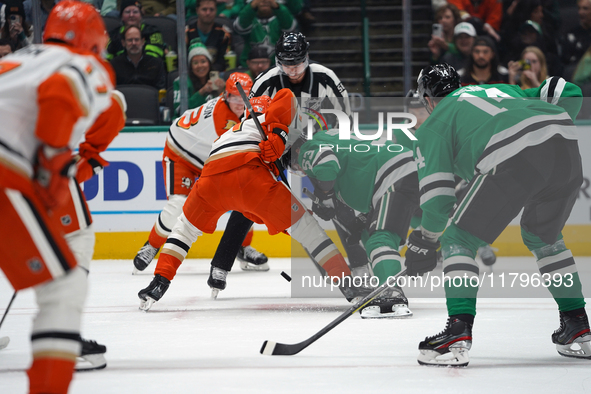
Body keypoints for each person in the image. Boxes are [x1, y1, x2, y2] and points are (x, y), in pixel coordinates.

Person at [406, 63, 590, 366]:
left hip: (514, 154)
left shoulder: (435, 123)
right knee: (543, 236)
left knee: (457, 239)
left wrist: (426, 241)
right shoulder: (503, 89)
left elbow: (438, 199)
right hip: (567, 147)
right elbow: (567, 90)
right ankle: (577, 325)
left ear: (427, 100)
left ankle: (458, 330)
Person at [137, 89, 359, 311]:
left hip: (210, 179)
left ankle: (158, 283)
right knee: (311, 233)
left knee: (183, 231)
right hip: (251, 175)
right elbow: (286, 95)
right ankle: (349, 287)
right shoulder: (281, 119)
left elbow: (248, 206)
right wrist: (281, 135)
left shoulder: (232, 131)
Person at [0, 1, 125, 391]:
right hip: (7, 166)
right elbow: (65, 92)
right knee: (65, 283)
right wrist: (55, 167)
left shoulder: (19, 59)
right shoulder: (83, 65)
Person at [204, 31, 352, 294]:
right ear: (277, 61)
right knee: (248, 202)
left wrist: (330, 143)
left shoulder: (326, 77)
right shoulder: (266, 81)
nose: (293, 70)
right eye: (286, 64)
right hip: (274, 145)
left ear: (307, 58)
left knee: (335, 197)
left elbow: (346, 115)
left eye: (298, 63)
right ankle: (220, 265)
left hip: (313, 144)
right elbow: (250, 125)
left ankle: (355, 263)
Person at [132, 72, 269, 279]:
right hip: (182, 154)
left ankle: (242, 247)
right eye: (234, 98)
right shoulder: (223, 121)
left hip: (208, 155)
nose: (239, 104)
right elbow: (236, 152)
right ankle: (151, 245)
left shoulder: (242, 110)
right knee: (178, 204)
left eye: (243, 99)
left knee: (243, 199)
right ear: (225, 96)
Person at [292, 130, 419, 318]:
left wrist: (323, 195)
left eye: (295, 166)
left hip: (394, 174)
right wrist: (361, 221)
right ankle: (386, 286)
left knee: (380, 238)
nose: (300, 170)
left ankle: (391, 293)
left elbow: (326, 163)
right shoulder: (332, 139)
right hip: (397, 173)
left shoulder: (308, 147)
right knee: (370, 233)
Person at [233, 0, 299, 67]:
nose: (264, 2)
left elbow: (289, 26)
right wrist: (252, 6)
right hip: (250, 68)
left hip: (277, 67)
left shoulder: (280, 20)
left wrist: (277, 7)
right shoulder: (250, 20)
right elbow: (241, 24)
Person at [172, 41, 225, 114]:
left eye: (203, 61)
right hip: (187, 123)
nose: (200, 65)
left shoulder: (217, 80)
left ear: (209, 63)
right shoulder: (180, 82)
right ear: (191, 66)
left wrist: (222, 92)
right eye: (195, 63)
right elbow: (179, 110)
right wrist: (202, 92)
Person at [186, 0, 232, 72]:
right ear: (197, 10)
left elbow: (223, 62)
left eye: (211, 10)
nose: (208, 13)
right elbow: (183, 61)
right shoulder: (186, 33)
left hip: (216, 74)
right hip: (192, 74)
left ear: (216, 11)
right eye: (204, 9)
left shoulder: (224, 33)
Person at [561, 0, 591, 77]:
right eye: (579, 8)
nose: (580, 12)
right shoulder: (571, 35)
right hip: (576, 73)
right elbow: (566, 58)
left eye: (585, 8)